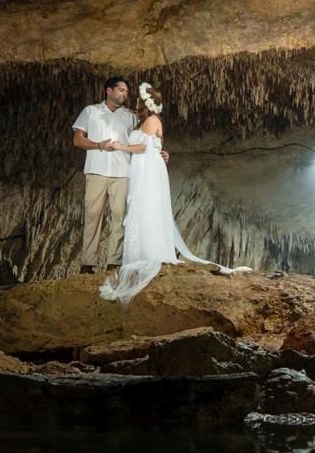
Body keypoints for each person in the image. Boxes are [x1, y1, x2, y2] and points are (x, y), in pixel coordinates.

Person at [99, 81, 250, 303]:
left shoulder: (151, 120)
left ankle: (151, 253)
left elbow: (144, 148)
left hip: (148, 169)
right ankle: (142, 251)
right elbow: (153, 148)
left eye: (139, 99)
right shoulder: (143, 121)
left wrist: (119, 146)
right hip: (142, 168)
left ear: (146, 102)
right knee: (140, 206)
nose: (136, 101)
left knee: (147, 206)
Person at [70, 76, 143, 275]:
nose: (125, 94)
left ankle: (114, 262)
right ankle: (88, 263)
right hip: (96, 170)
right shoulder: (91, 111)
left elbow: (142, 141)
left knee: (119, 217)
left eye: (126, 91)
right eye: (121, 90)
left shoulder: (131, 116)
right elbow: (77, 140)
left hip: (122, 172)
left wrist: (158, 152)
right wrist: (98, 145)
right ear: (108, 91)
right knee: (93, 216)